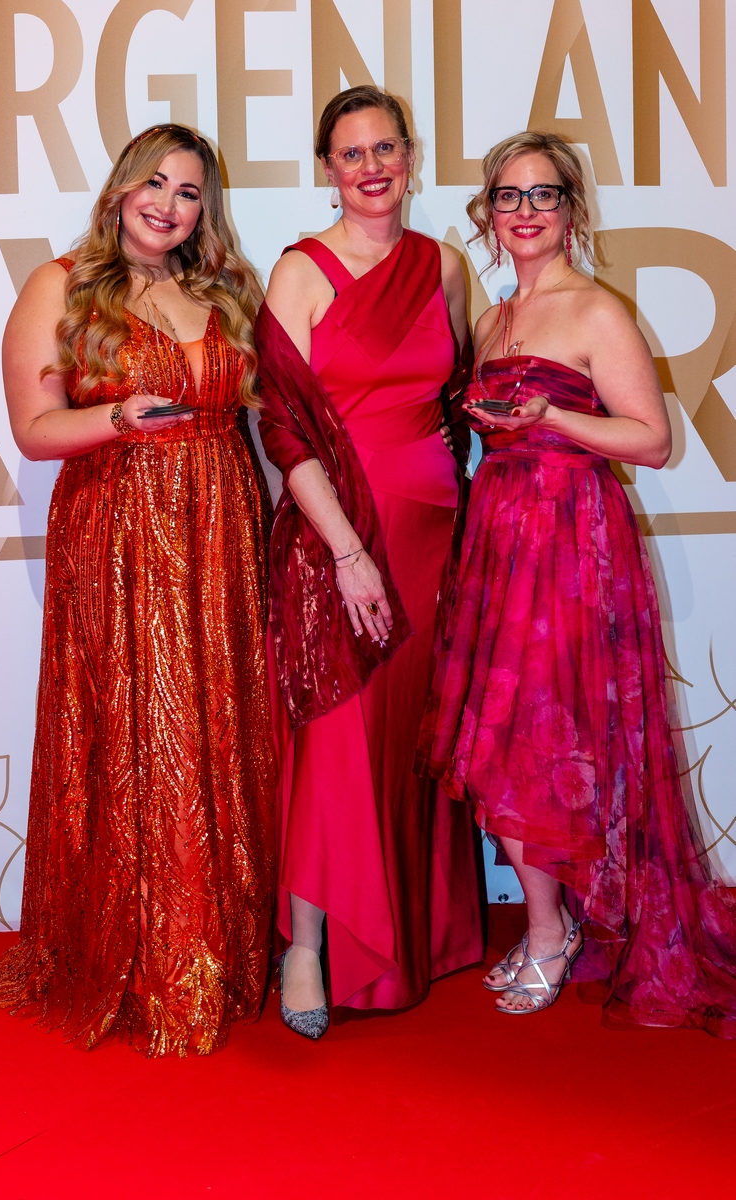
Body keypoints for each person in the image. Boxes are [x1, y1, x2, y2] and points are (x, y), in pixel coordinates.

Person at [418, 131, 736, 1033]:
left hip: (572, 541)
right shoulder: (491, 320)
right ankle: (551, 924)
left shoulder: (596, 311)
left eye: (543, 195)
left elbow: (652, 441)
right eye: (508, 196)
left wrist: (553, 414)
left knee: (549, 735)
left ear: (570, 211)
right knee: (503, 739)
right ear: (488, 212)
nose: (525, 211)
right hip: (500, 535)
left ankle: (552, 934)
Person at [0, 124, 275, 1056]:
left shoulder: (223, 289)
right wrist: (118, 415)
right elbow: (35, 429)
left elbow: (258, 425)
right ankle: (142, 954)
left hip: (222, 528)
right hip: (117, 526)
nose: (168, 204)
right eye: (154, 183)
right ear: (120, 190)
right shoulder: (63, 284)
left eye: (189, 192)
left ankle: (218, 950)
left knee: (216, 727)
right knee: (134, 728)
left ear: (205, 210)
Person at [256, 86, 483, 1039]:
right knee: (335, 737)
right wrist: (347, 551)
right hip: (335, 533)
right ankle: (309, 945)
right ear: (327, 170)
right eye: (351, 154)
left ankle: (417, 928)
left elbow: (462, 393)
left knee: (410, 732)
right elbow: (282, 427)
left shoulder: (445, 266)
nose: (372, 167)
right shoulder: (300, 271)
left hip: (433, 535)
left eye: (386, 148)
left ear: (410, 156)